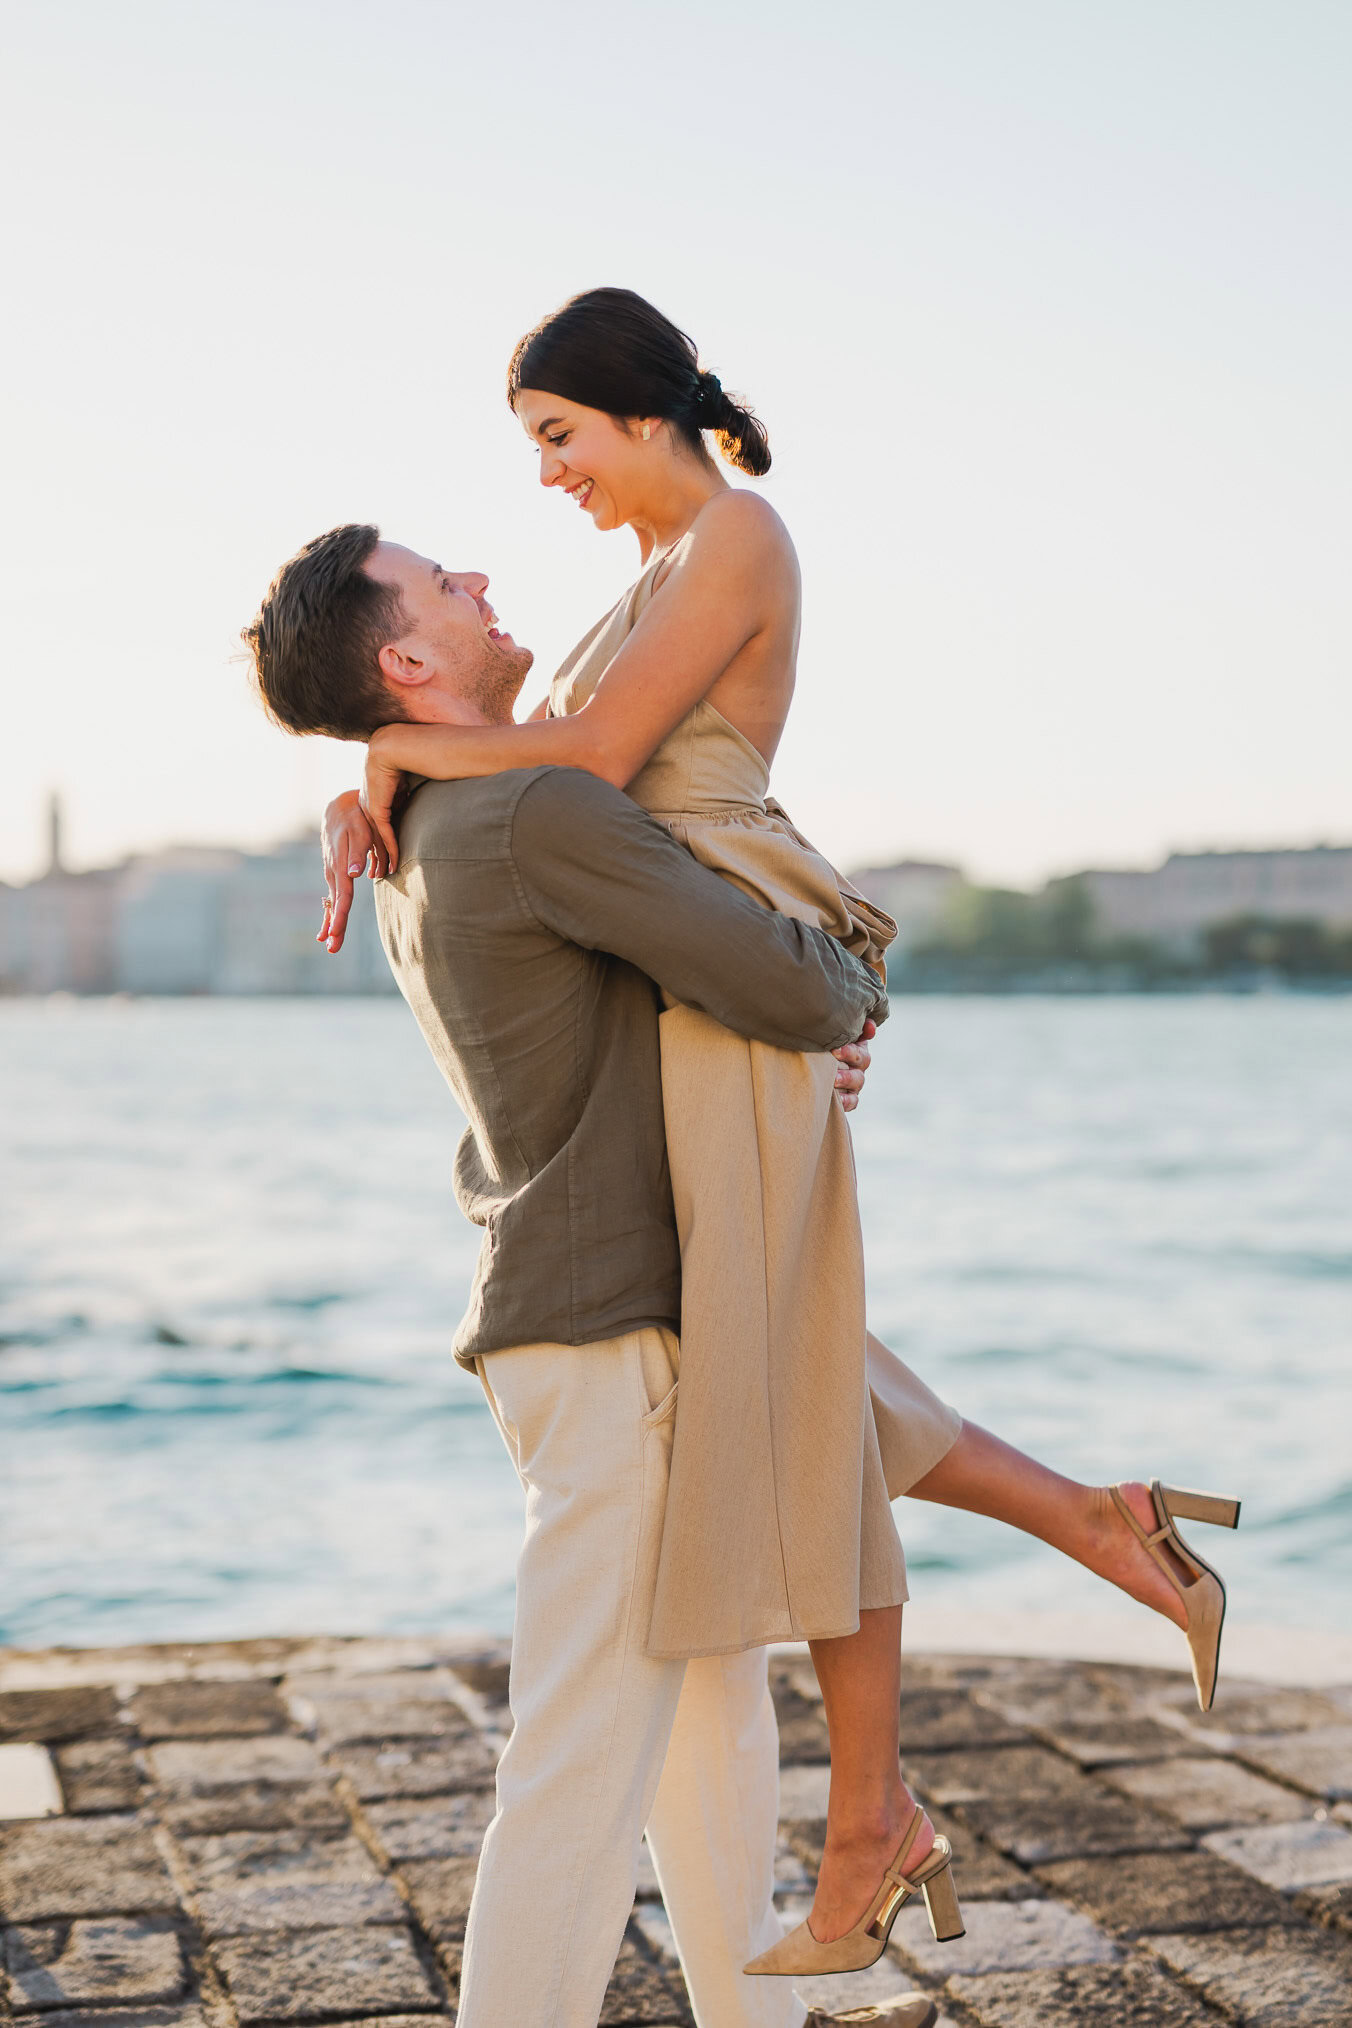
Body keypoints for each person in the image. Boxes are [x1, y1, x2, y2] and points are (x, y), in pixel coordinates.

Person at [316, 289, 1240, 1971]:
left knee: (794, 1389)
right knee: (797, 1379)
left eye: (557, 438)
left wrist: (385, 741)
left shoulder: (736, 532)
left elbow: (587, 764)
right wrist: (372, 763)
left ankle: (894, 1798)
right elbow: (541, 770)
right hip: (708, 992)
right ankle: (1086, 1543)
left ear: (637, 408)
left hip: (741, 976)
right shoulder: (640, 588)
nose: (546, 481)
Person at [243, 523, 942, 2028]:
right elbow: (783, 973)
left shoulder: (431, 819)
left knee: (710, 1722)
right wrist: (846, 994)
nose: (485, 581)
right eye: (446, 585)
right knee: (578, 1764)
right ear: (408, 663)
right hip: (613, 1339)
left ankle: (751, 2014)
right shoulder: (537, 812)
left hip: (587, 1328)